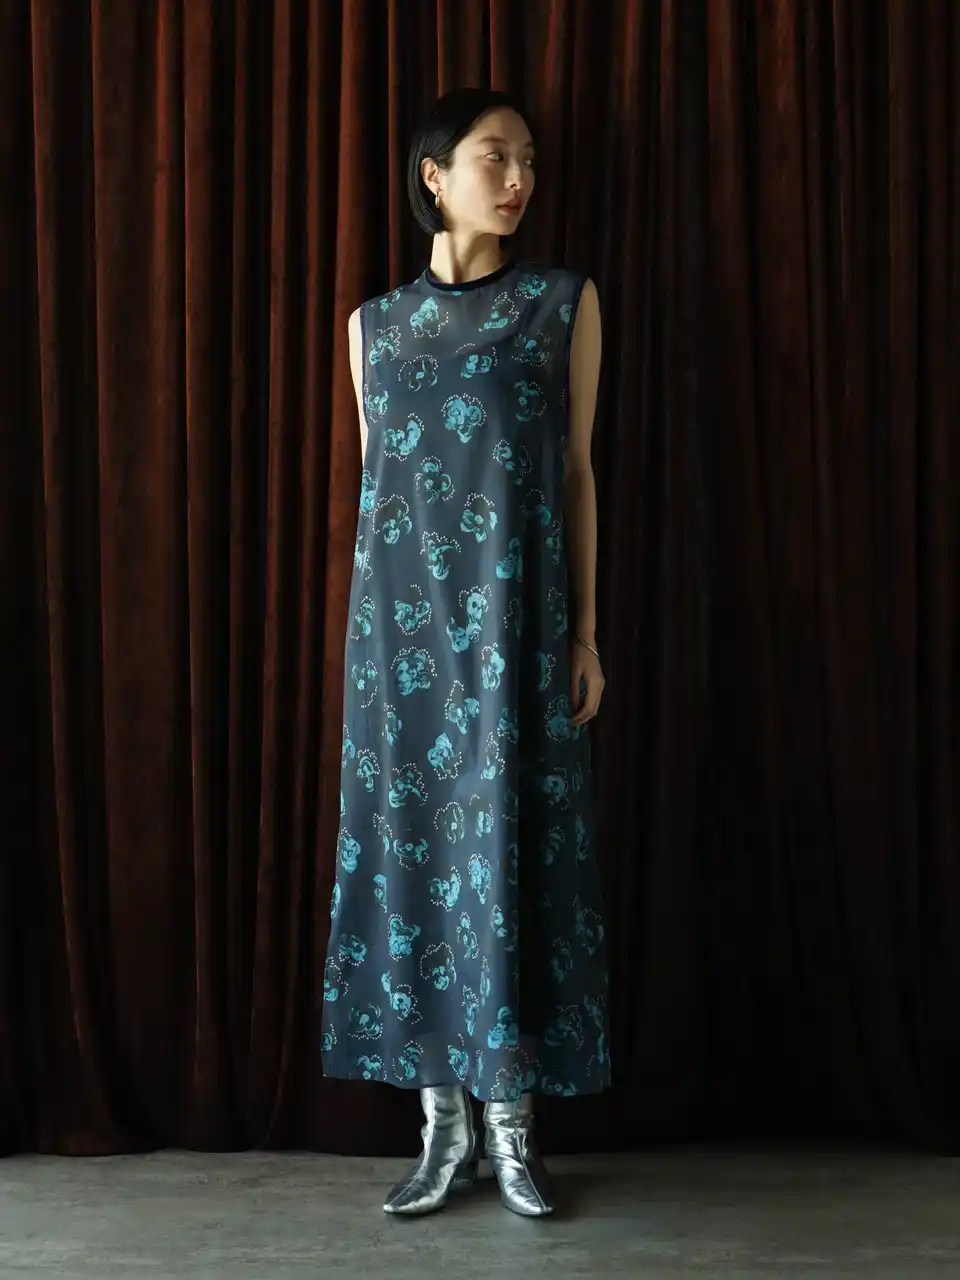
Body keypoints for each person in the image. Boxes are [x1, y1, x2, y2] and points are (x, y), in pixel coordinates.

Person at [321, 86, 611, 1218]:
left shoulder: (560, 304)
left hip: (516, 637)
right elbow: (377, 492)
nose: (519, 178)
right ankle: (440, 1128)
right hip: (399, 652)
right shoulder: (371, 327)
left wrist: (585, 632)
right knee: (411, 870)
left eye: (528, 158)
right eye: (496, 156)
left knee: (513, 859)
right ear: (433, 175)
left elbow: (577, 472)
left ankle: (513, 1128)